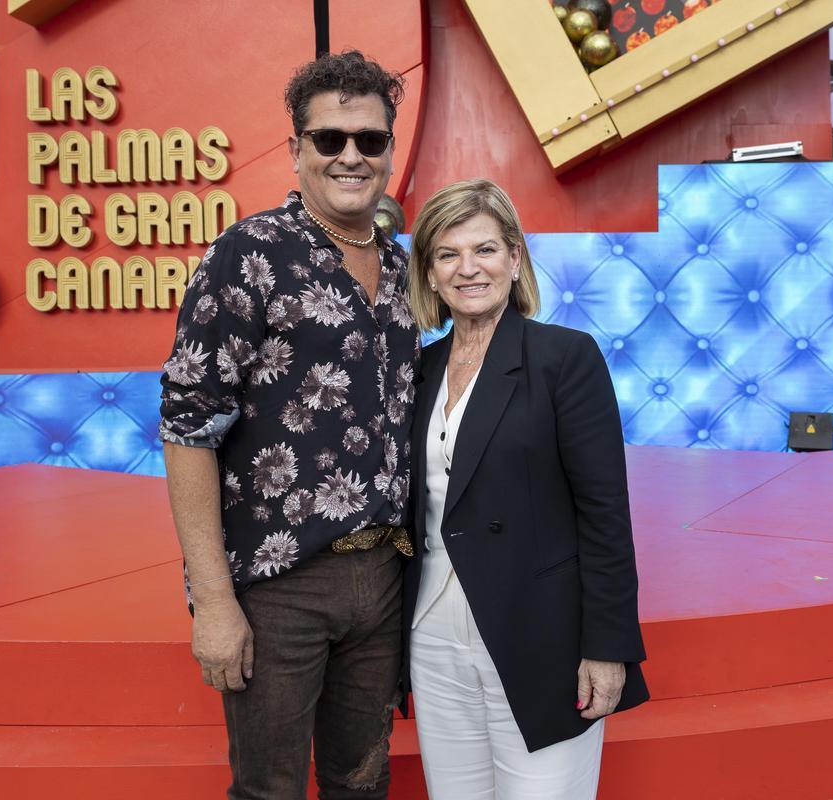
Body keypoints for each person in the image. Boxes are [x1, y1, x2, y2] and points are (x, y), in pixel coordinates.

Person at [158, 51, 419, 800]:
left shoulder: (404, 268)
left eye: (369, 140)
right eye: (329, 138)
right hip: (278, 587)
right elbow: (186, 429)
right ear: (296, 148)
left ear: (389, 150)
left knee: (363, 783)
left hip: (386, 578)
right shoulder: (247, 255)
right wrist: (212, 601)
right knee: (268, 789)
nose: (350, 155)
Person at [402, 179, 648, 799]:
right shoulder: (418, 371)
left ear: (515, 259)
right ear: (429, 274)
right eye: (448, 254)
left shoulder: (565, 357)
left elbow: (604, 514)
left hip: (540, 634)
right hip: (432, 633)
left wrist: (608, 646)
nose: (468, 269)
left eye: (484, 250)